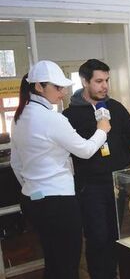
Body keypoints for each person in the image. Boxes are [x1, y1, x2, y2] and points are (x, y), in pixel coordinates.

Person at [10, 60, 111, 279]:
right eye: (57, 87)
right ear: (39, 87)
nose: (63, 92)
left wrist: (34, 185)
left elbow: (16, 164)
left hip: (32, 199)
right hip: (58, 203)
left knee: (53, 260)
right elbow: (85, 150)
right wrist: (102, 130)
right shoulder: (52, 119)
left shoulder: (19, 117)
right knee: (67, 265)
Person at [62, 59, 130, 279]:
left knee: (115, 234)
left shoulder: (115, 107)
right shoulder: (70, 116)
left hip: (116, 182)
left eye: (107, 80)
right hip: (90, 186)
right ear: (85, 81)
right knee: (97, 236)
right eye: (98, 81)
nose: (104, 86)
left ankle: (114, 273)